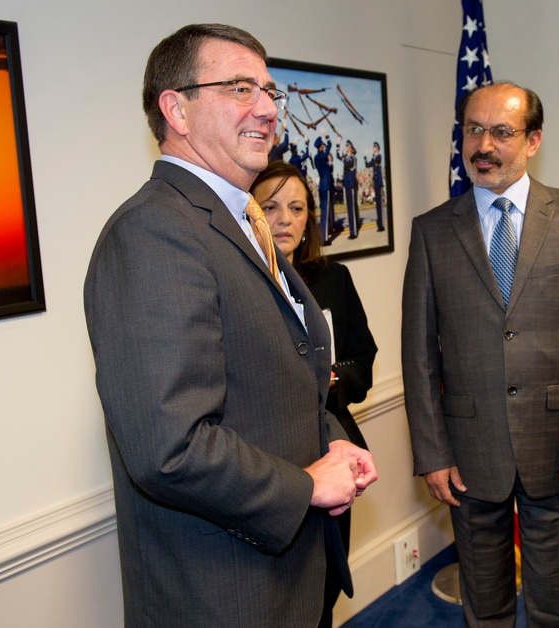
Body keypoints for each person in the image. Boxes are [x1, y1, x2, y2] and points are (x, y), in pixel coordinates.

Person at [83, 24, 377, 627]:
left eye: (271, 92)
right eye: (241, 88)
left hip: (289, 573)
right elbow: (170, 447)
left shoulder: (242, 220)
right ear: (177, 109)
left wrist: (329, 438)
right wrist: (305, 487)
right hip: (223, 592)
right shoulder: (152, 233)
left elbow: (274, 372)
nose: (268, 109)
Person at [401, 81, 559, 627]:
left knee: (557, 603)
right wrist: (431, 453)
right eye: (473, 130)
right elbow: (419, 355)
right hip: (468, 454)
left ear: (533, 140)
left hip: (558, 450)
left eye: (502, 132)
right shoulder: (432, 231)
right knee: (485, 604)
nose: (485, 145)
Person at [252, 161, 378, 627]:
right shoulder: (242, 282)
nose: (284, 218)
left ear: (309, 220)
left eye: (297, 207)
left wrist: (330, 381)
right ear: (250, 212)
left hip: (334, 450)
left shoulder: (333, 279)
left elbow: (364, 359)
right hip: (270, 466)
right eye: (270, 206)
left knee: (324, 587)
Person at [364, 141, 386, 232]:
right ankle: (379, 224)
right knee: (377, 205)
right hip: (376, 182)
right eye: (373, 147)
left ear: (377, 148)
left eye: (374, 147)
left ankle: (382, 225)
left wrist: (372, 154)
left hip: (379, 182)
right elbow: (368, 165)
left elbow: (377, 160)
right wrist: (365, 157)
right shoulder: (374, 157)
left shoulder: (378, 156)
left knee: (380, 205)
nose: (373, 148)